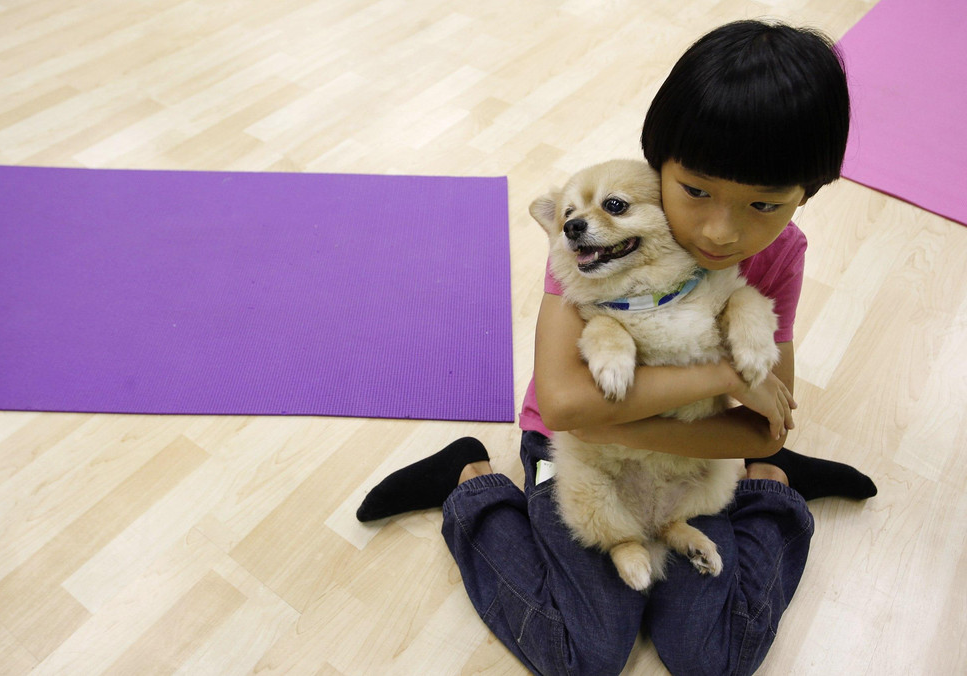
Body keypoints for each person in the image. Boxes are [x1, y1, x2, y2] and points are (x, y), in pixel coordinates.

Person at [357, 20, 877, 676]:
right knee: (588, 655)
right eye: (696, 192)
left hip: (695, 461)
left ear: (809, 195)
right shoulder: (598, 234)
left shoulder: (777, 257)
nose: (721, 231)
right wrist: (724, 377)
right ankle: (472, 485)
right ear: (659, 162)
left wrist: (754, 449)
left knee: (710, 659)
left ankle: (771, 491)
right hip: (577, 454)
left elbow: (764, 429)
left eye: (766, 205)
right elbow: (569, 406)